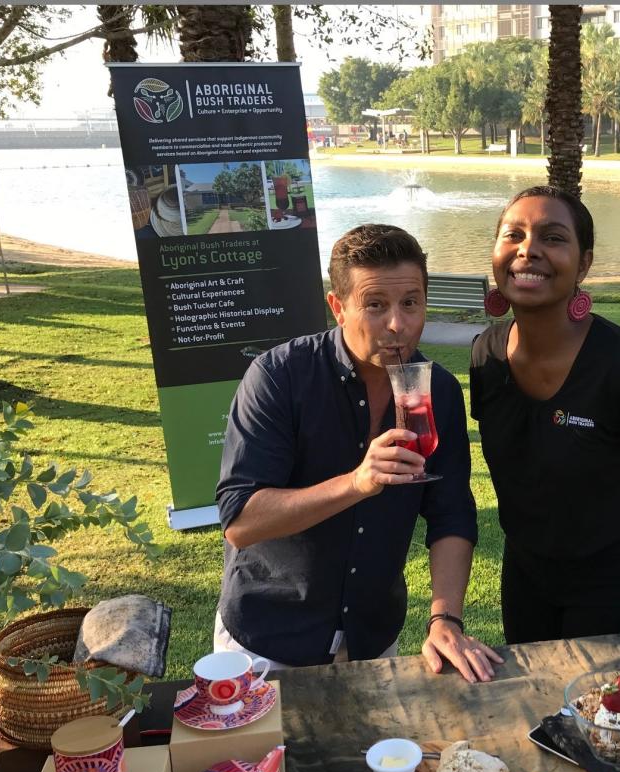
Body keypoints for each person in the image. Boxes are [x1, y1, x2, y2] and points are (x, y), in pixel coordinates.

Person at [215, 224, 503, 683]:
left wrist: (445, 619)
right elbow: (241, 522)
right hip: (268, 640)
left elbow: (451, 514)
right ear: (338, 307)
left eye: (410, 303)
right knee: (269, 758)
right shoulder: (279, 378)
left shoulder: (437, 393)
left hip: (372, 638)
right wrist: (357, 483)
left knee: (369, 756)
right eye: (375, 305)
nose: (397, 324)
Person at [470, 186, 620, 643]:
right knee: (537, 701)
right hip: (525, 574)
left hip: (613, 585)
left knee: (600, 709)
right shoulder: (486, 357)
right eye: (512, 235)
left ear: (585, 263)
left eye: (553, 238)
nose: (528, 250)